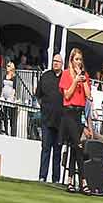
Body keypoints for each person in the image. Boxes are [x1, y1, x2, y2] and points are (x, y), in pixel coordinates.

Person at [58, 48, 91, 191]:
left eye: (80, 60)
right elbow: (66, 95)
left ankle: (70, 180)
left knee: (74, 146)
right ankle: (83, 180)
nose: (78, 62)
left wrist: (82, 80)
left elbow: (89, 96)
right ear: (71, 60)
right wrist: (75, 80)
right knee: (78, 145)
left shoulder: (85, 75)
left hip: (80, 113)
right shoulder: (66, 74)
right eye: (76, 59)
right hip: (69, 113)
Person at [36, 53, 64, 184]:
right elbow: (38, 95)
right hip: (47, 119)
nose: (55, 63)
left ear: (62, 63)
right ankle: (42, 177)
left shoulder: (65, 78)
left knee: (57, 152)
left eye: (57, 61)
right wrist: (44, 108)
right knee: (46, 149)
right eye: (54, 61)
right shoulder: (46, 76)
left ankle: (56, 179)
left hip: (60, 121)